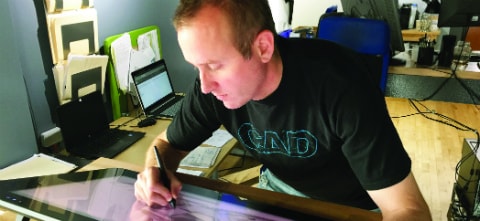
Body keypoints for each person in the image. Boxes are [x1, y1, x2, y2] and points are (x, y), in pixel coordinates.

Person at [134, 0, 432, 219]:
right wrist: (154, 173)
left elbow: (409, 209)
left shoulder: (342, 87)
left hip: (352, 206)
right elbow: (165, 146)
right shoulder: (209, 88)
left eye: (214, 65)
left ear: (263, 47)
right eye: (196, 67)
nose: (205, 85)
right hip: (275, 193)